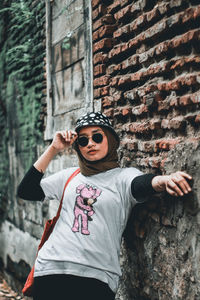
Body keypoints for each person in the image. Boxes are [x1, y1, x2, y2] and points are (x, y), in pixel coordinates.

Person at [17, 112, 192, 300]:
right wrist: (53, 148)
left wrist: (164, 180)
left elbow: (141, 184)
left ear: (110, 139)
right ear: (78, 147)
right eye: (83, 141)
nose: (90, 143)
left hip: (98, 277)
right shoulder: (69, 176)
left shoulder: (123, 177)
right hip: (52, 268)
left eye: (97, 137)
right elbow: (26, 191)